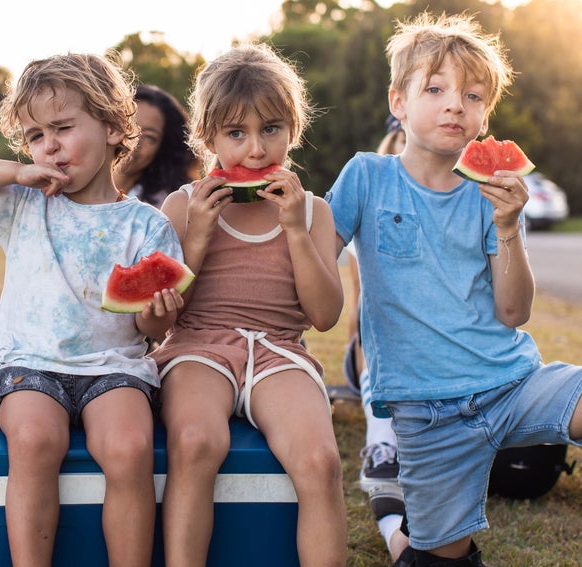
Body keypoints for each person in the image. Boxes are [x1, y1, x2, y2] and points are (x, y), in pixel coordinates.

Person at [325, 12, 582, 566]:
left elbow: (514, 311)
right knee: (438, 558)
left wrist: (510, 226)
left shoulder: (492, 196)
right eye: (435, 88)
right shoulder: (367, 177)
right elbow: (314, 263)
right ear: (399, 101)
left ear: (485, 115)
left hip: (512, 384)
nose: (454, 105)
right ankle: (396, 524)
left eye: (472, 95)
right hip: (426, 415)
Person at [0, 52, 184, 567]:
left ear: (114, 128)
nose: (49, 146)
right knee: (34, 439)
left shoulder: (146, 224)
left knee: (130, 448)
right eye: (34, 135)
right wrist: (18, 171)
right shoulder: (22, 200)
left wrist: (159, 312)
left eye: (63, 128)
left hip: (113, 367)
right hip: (30, 362)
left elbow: (148, 325)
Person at [150, 42, 347, 566]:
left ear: (294, 130)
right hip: (197, 344)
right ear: (207, 136)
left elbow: (324, 317)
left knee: (322, 460)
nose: (256, 151)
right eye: (236, 134)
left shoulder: (315, 212)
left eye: (271, 129)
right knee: (195, 442)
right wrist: (197, 235)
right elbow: (160, 320)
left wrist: (297, 232)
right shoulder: (178, 205)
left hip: (280, 349)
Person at [341, 115, 409, 561]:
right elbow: (355, 312)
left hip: (432, 355)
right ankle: (380, 439)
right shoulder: (367, 201)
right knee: (374, 322)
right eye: (402, 138)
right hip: (371, 351)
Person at [113, 84, 199, 207]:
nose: (135, 140)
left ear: (162, 148)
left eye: (149, 136)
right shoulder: (78, 185)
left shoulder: (167, 207)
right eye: (129, 126)